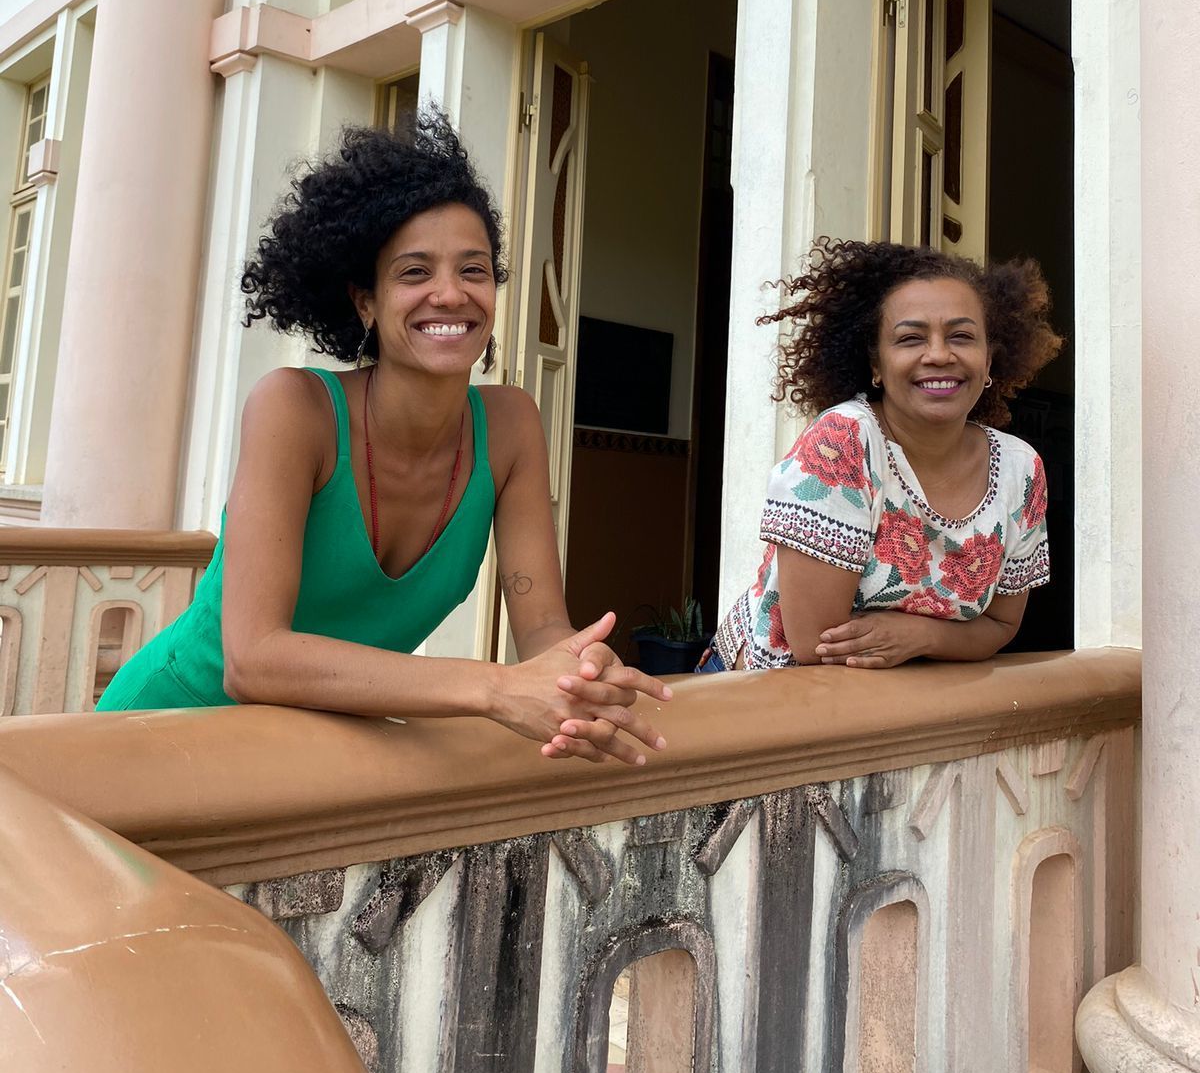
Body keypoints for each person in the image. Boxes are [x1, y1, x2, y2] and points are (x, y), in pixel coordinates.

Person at [99, 115, 670, 767]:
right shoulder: (296, 409)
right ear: (365, 301)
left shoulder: (512, 426)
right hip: (161, 731)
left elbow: (540, 626)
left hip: (314, 759)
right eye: (414, 272)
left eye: (474, 269)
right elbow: (253, 658)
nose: (450, 293)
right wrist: (494, 688)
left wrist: (579, 664)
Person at [699, 239, 1062, 673]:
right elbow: (818, 646)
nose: (939, 355)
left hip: (904, 695)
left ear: (988, 363)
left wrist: (921, 635)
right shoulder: (844, 443)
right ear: (876, 364)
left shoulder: (1020, 470)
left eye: (962, 336)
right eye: (910, 338)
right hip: (768, 691)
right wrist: (942, 641)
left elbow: (1001, 624)